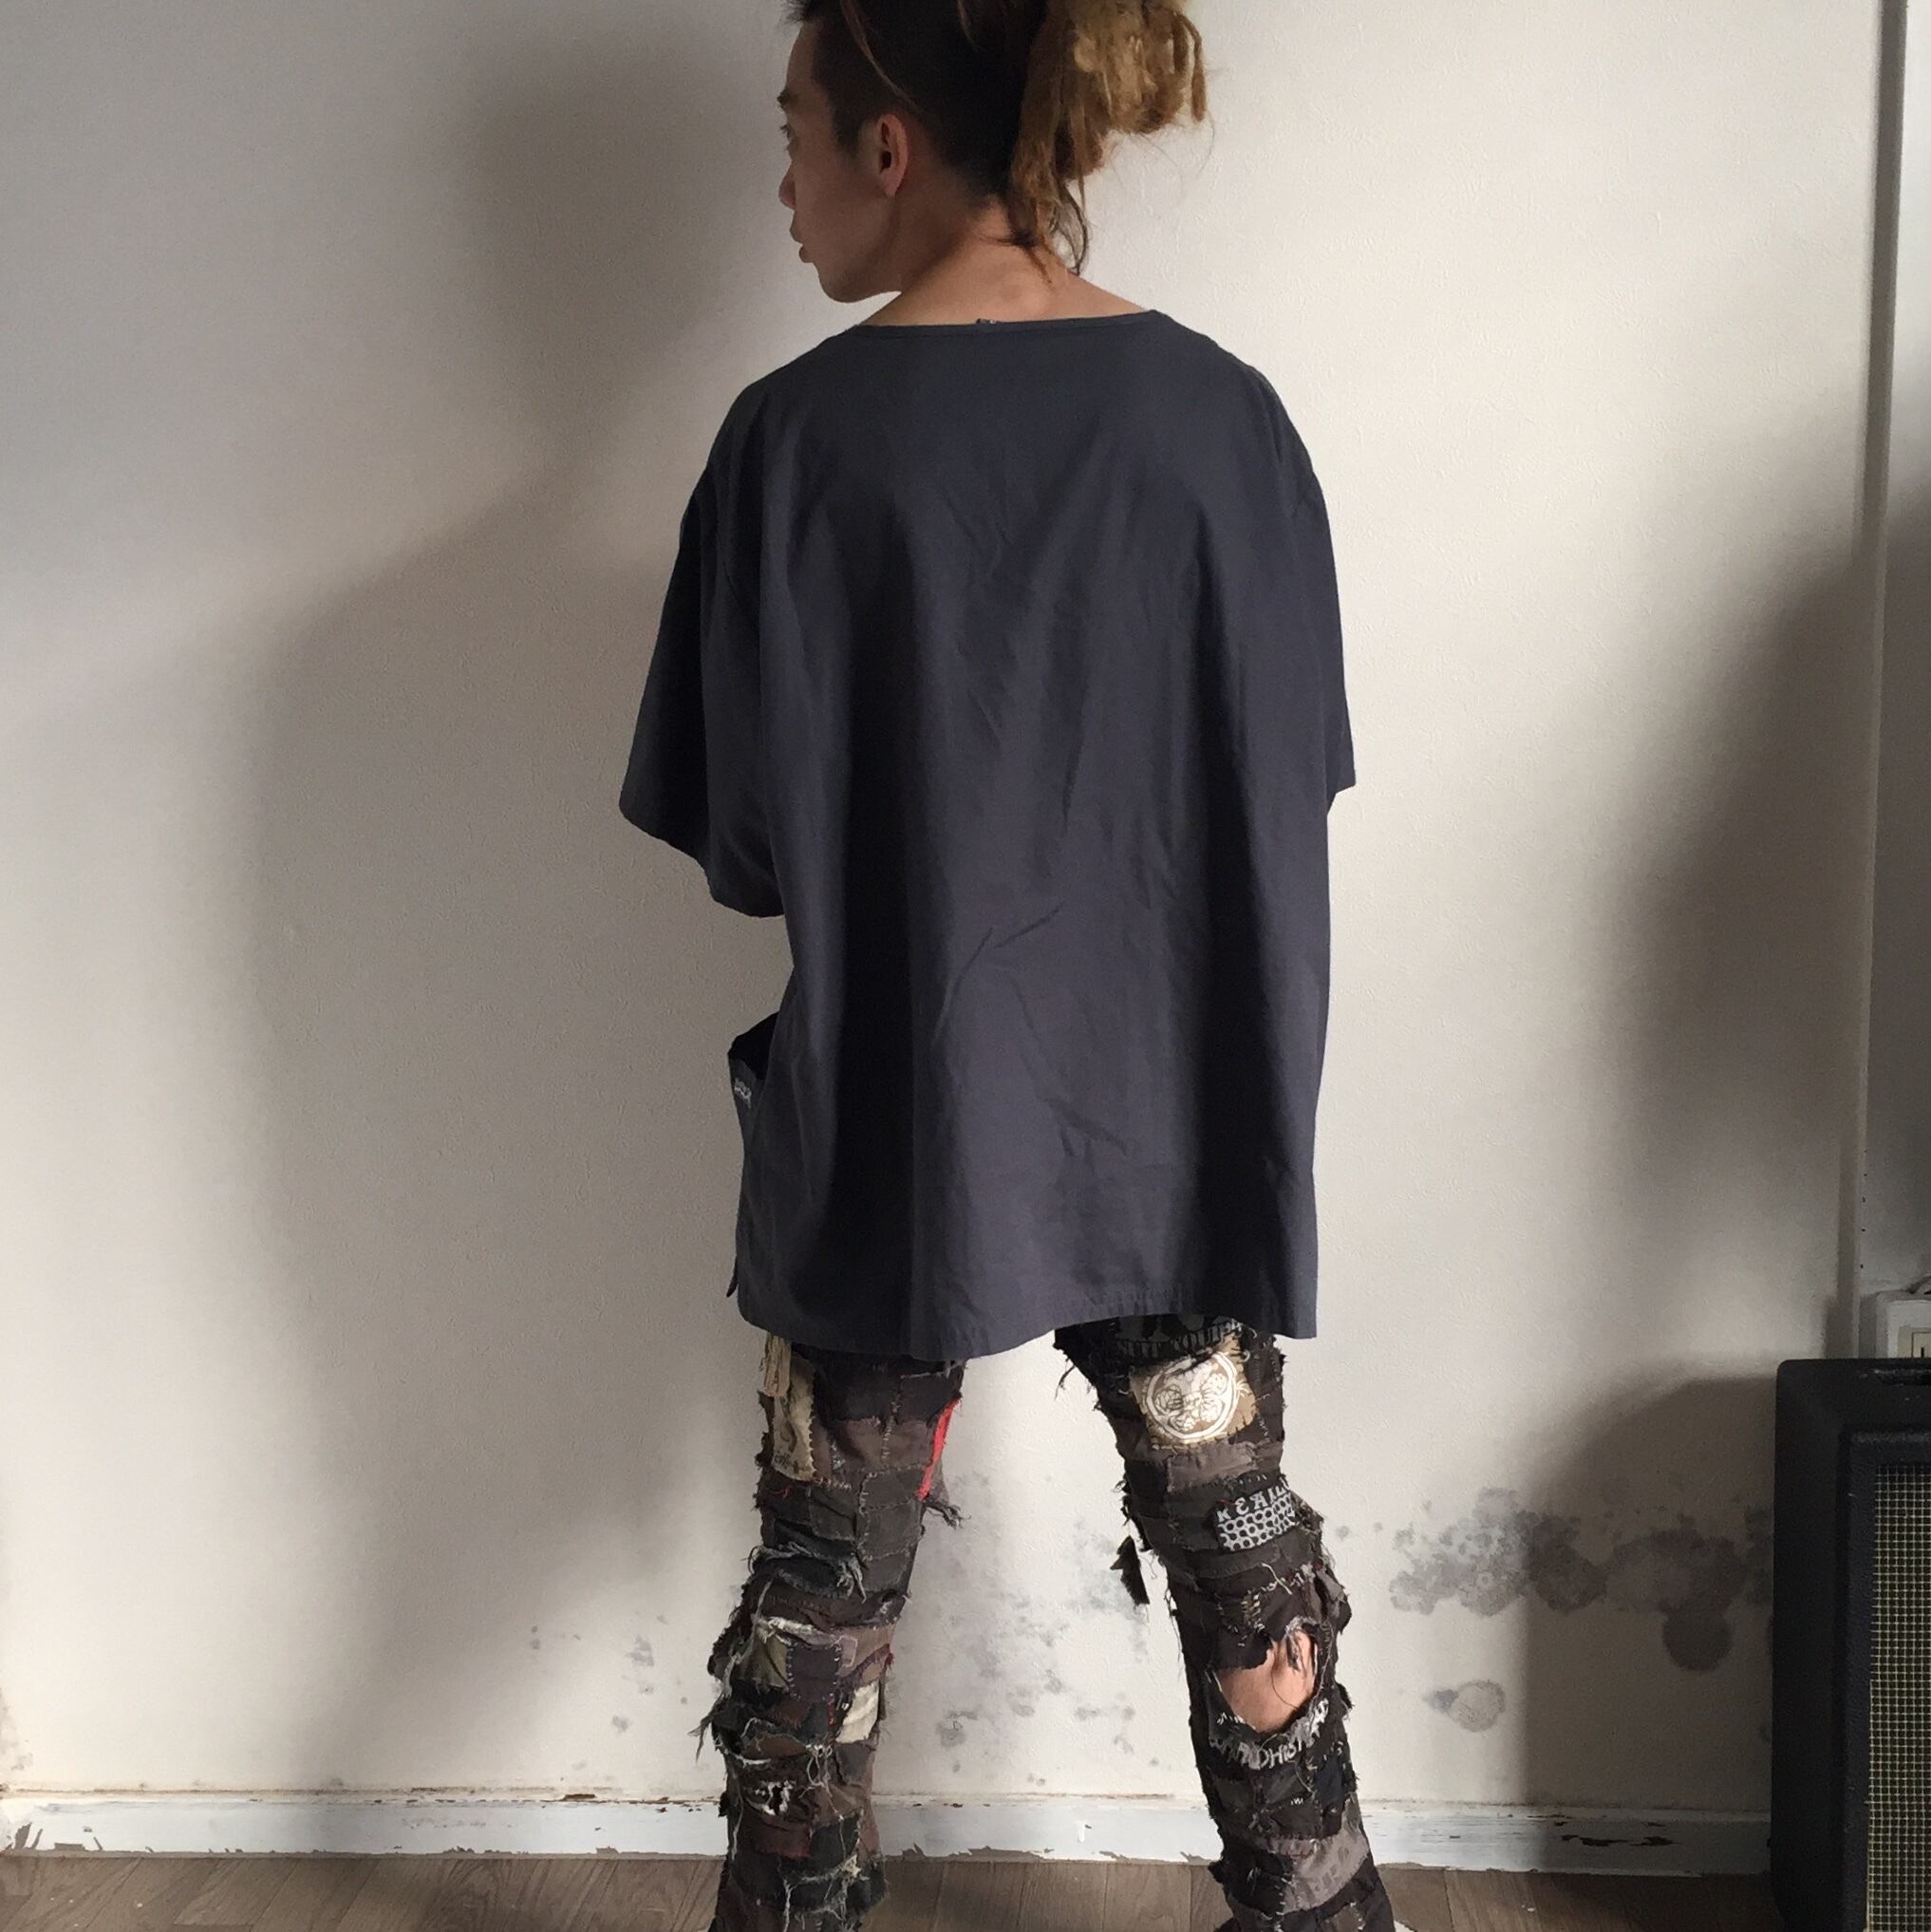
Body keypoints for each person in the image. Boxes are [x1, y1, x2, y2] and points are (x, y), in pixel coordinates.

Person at [619, 3, 1399, 1929]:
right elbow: (1293, 775)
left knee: (824, 1589)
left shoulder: (793, 444)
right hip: (1178, 1109)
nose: (785, 185)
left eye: (795, 134)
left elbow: (745, 845)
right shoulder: (1228, 422)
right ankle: (1319, 1902)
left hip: (899, 1097)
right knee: (1240, 1551)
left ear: (889, 147)